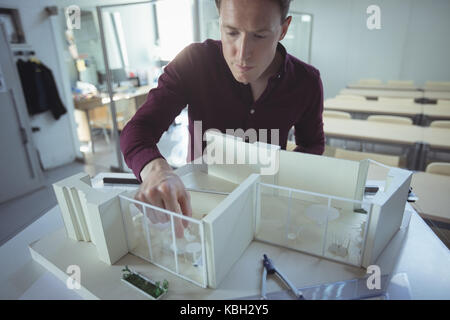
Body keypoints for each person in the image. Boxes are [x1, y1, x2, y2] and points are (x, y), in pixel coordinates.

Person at [120, 0, 325, 237]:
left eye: (259, 36)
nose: (242, 53)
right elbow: (139, 129)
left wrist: (285, 178)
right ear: (219, 20)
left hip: (267, 211)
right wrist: (156, 170)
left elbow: (313, 144)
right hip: (199, 210)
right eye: (231, 32)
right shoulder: (194, 62)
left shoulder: (306, 82)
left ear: (283, 29)